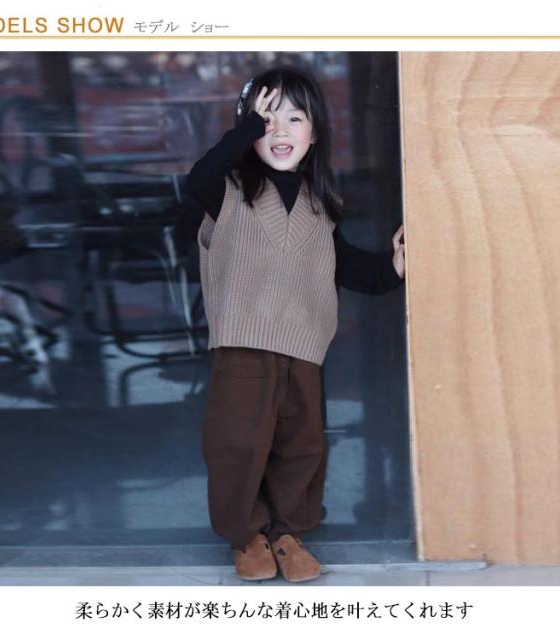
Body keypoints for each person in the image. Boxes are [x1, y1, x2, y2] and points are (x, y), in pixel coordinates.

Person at [186, 65, 405, 583]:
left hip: (304, 346)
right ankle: (247, 536)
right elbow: (198, 177)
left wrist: (392, 267)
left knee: (301, 445)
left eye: (294, 118)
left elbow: (345, 266)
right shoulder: (227, 190)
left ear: (315, 133)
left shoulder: (320, 205)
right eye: (267, 119)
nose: (279, 131)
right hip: (244, 343)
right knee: (239, 442)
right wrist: (245, 129)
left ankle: (288, 533)